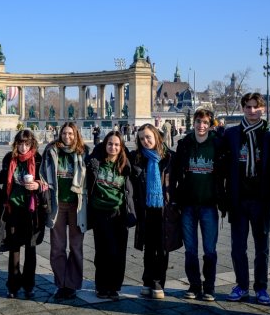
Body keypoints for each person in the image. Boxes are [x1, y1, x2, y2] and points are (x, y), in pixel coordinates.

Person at [221, 93, 270, 304]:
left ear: (263, 109)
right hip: (239, 199)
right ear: (243, 109)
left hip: (261, 200)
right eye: (248, 107)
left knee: (262, 246)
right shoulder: (232, 135)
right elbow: (221, 163)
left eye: (256, 107)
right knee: (238, 246)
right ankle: (241, 285)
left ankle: (261, 287)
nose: (252, 111)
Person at [169, 109, 224, 302]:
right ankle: (194, 284)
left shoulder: (217, 144)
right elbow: (174, 173)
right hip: (188, 205)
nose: (201, 126)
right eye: (198, 122)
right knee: (190, 249)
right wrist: (174, 198)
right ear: (193, 123)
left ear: (211, 125)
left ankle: (209, 286)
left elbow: (224, 173)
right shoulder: (184, 144)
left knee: (210, 249)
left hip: (209, 204)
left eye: (205, 123)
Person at [0, 130, 49, 298]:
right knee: (14, 248)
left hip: (32, 211)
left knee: (31, 247)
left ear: (32, 144)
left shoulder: (39, 160)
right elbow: (2, 178)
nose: (23, 147)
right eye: (20, 143)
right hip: (13, 209)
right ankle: (12, 285)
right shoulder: (9, 159)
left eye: (26, 144)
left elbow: (47, 183)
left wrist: (38, 185)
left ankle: (29, 285)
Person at [41, 122, 88, 301]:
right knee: (57, 247)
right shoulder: (51, 151)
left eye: (70, 134)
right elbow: (43, 174)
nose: (67, 137)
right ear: (60, 134)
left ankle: (73, 284)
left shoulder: (84, 152)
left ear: (76, 135)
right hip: (58, 204)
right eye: (64, 133)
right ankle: (61, 283)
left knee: (76, 247)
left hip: (77, 205)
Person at [87, 131, 136, 300]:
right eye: (110, 144)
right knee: (102, 251)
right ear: (104, 145)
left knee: (118, 251)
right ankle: (101, 286)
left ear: (121, 146)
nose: (113, 147)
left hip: (119, 212)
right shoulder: (95, 162)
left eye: (116, 144)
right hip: (100, 211)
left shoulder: (127, 165)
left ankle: (114, 286)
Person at [130, 124, 173, 299]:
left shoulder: (169, 157)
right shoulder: (136, 158)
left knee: (162, 247)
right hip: (145, 208)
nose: (145, 141)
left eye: (148, 137)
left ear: (156, 136)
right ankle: (147, 280)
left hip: (164, 209)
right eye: (141, 138)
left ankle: (158, 282)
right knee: (148, 247)